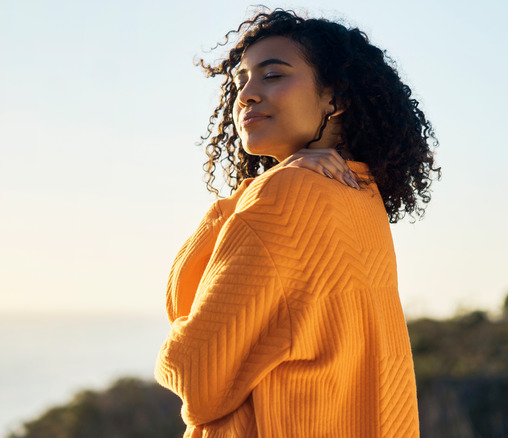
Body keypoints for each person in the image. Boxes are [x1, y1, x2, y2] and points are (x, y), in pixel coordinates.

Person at [155, 8, 439, 438]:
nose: (247, 95)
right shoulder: (359, 194)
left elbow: (194, 375)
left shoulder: (283, 196)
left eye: (272, 76)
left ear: (335, 99)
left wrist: (246, 199)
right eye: (240, 82)